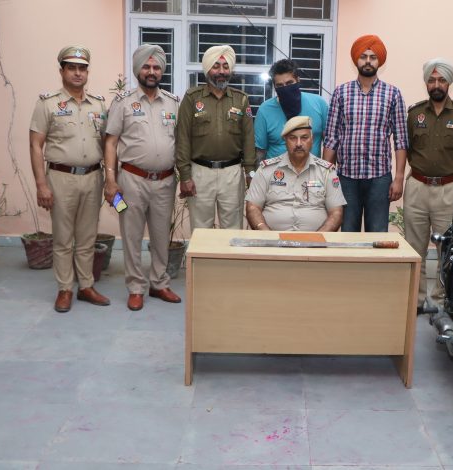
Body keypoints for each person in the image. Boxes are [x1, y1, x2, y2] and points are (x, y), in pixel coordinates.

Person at [28, 45, 110, 313]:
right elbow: (35, 145)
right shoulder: (48, 103)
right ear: (62, 71)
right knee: (63, 238)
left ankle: (86, 286)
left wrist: (111, 179)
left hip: (93, 177)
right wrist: (41, 185)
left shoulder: (99, 104)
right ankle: (65, 288)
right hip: (61, 178)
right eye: (72, 68)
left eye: (82, 68)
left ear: (87, 72)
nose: (77, 73)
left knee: (87, 237)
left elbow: (108, 144)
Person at [103, 44, 182, 311]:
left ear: (162, 71)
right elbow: (111, 142)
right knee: (131, 235)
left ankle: (159, 283)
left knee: (161, 236)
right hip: (131, 181)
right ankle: (136, 287)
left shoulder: (172, 102)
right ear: (138, 69)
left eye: (156, 67)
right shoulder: (123, 102)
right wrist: (110, 180)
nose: (151, 71)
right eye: (147, 67)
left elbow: (180, 142)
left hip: (165, 183)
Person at [405, 58, 453, 313]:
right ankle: (416, 300)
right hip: (417, 188)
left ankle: (439, 301)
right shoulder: (414, 113)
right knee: (414, 248)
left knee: (447, 249)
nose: (436, 85)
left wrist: (451, 177)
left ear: (449, 83)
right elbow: (408, 148)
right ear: (426, 83)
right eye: (432, 80)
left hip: (448, 191)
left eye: (441, 80)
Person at [323, 34, 408, 233]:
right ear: (356, 60)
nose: (368, 61)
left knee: (377, 235)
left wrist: (399, 178)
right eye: (363, 56)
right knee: (347, 233)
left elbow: (401, 140)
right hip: (346, 177)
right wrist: (326, 176)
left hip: (379, 178)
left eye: (373, 57)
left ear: (379, 61)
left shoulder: (393, 94)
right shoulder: (341, 92)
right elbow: (332, 137)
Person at [174, 45, 256, 230]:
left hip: (232, 173)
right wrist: (185, 176)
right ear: (207, 69)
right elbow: (183, 138)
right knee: (200, 229)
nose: (221, 71)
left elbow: (249, 139)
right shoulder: (192, 98)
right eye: (216, 66)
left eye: (226, 67)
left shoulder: (241, 99)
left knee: (233, 229)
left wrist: (250, 174)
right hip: (200, 173)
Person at [245, 116, 345, 232]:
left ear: (312, 140)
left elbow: (336, 213)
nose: (298, 144)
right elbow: (253, 207)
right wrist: (265, 233)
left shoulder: (326, 172)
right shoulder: (266, 170)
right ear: (285, 141)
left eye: (304, 138)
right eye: (292, 138)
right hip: (273, 239)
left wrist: (318, 238)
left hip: (315, 240)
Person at [254, 59, 328, 163]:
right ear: (274, 87)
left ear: (298, 80)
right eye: (280, 85)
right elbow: (260, 151)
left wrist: (326, 170)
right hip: (276, 171)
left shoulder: (319, 104)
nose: (285, 88)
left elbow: (329, 143)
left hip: (311, 170)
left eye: (289, 83)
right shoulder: (265, 110)